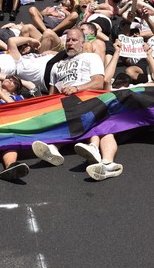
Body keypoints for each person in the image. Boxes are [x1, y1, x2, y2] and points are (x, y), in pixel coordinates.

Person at [49, 28, 116, 180]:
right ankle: (56, 148)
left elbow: (98, 83)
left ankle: (106, 161)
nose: (70, 43)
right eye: (68, 40)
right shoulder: (56, 66)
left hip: (87, 98)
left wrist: (76, 89)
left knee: (104, 127)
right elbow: (50, 95)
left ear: (83, 43)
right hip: (64, 105)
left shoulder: (91, 57)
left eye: (74, 40)